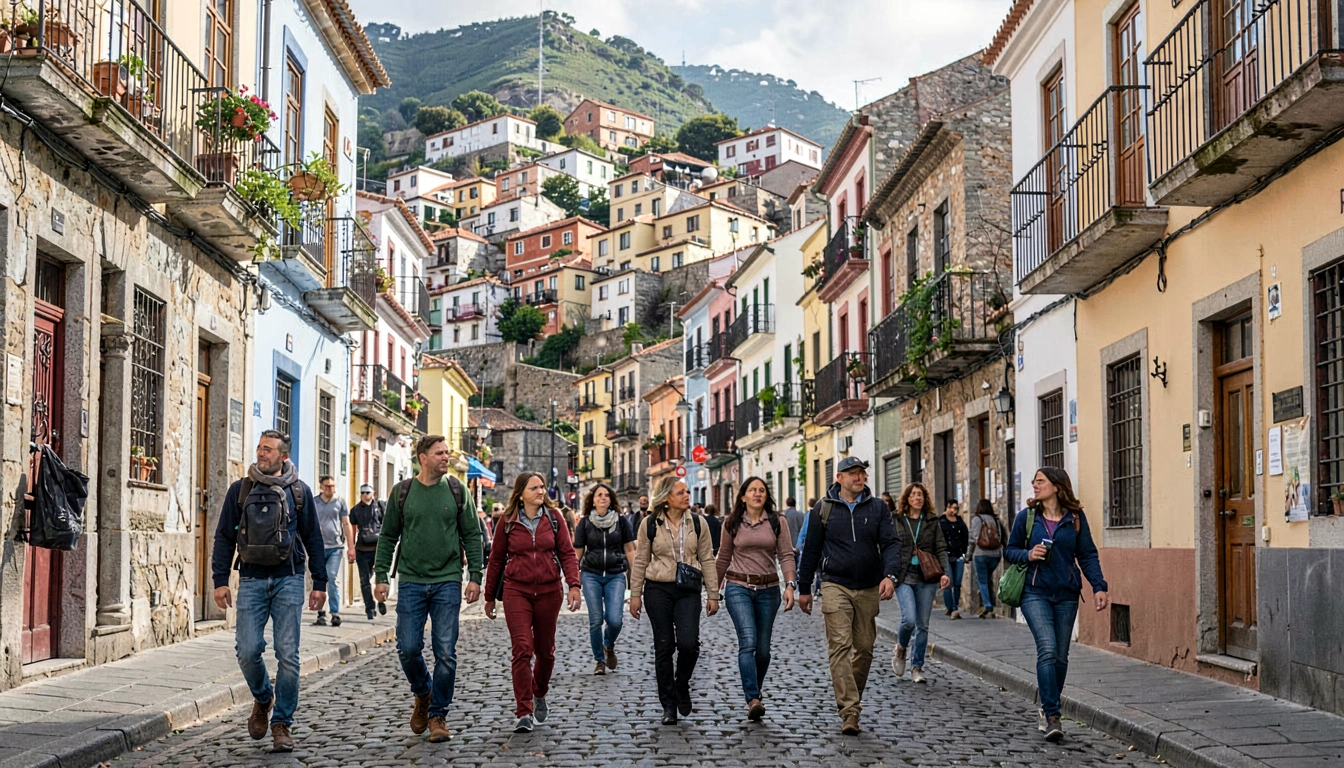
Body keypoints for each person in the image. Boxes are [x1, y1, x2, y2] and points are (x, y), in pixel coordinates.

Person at [211, 430, 327, 753]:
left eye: (268, 449)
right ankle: (264, 698)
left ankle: (282, 724)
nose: (261, 453)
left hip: (289, 579)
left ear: (283, 456)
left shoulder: (298, 492)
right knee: (247, 650)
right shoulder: (241, 489)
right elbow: (224, 536)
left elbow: (314, 539)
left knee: (288, 655)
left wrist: (320, 583)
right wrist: (220, 579)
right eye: (260, 448)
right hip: (250, 579)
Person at [374, 435, 484, 744]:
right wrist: (381, 574)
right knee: (408, 648)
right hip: (410, 580)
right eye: (439, 453)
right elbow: (388, 535)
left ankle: (438, 714)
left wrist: (475, 575)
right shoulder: (403, 492)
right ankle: (423, 692)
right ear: (423, 457)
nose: (445, 457)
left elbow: (472, 535)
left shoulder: (457, 490)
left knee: (445, 652)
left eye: (447, 452)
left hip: (448, 580)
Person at [796, 457, 902, 736]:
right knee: (840, 646)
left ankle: (849, 696)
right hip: (835, 585)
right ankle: (850, 710)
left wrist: (890, 576)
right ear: (839, 478)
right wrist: (804, 588)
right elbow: (811, 550)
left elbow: (891, 543)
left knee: (865, 648)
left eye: (862, 473)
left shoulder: (878, 508)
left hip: (868, 587)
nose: (860, 477)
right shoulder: (824, 509)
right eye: (854, 473)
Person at [1005, 467, 1109, 743]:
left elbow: (1087, 554)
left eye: (1040, 481)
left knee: (1061, 657)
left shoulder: (1075, 518)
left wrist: (1099, 586)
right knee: (1048, 649)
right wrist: (1028, 554)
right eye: (1035, 481)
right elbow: (1010, 550)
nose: (1034, 485)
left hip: (1066, 593)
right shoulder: (1026, 518)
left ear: (1056, 486)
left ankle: (1047, 706)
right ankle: (1053, 715)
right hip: (1034, 592)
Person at [484, 472, 582, 733]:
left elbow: (567, 553)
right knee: (522, 649)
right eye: (535, 487)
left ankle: (539, 692)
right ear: (520, 493)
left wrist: (573, 584)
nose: (541, 491)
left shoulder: (555, 518)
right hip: (517, 591)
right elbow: (495, 560)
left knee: (546, 652)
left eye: (542, 487)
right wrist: (489, 596)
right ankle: (523, 711)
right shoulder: (507, 522)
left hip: (550, 592)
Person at [629, 476, 719, 725]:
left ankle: (682, 683)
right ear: (667, 497)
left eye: (687, 491)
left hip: (688, 589)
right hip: (658, 589)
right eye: (681, 492)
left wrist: (713, 593)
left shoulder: (698, 523)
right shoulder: (649, 524)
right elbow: (640, 560)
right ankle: (668, 705)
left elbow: (708, 559)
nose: (687, 496)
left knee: (689, 644)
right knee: (664, 646)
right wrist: (635, 594)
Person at [715, 477, 795, 722]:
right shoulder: (731, 523)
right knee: (748, 642)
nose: (757, 494)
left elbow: (786, 555)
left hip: (769, 589)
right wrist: (712, 591)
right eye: (752, 490)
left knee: (763, 650)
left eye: (762, 490)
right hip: (738, 587)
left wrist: (790, 585)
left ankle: (755, 693)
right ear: (743, 496)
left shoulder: (776, 521)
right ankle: (753, 698)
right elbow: (723, 557)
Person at [890, 483, 952, 685]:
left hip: (926, 577)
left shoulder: (932, 521)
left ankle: (917, 667)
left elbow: (941, 547)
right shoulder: (896, 519)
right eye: (914, 495)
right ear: (906, 499)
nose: (918, 498)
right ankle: (900, 648)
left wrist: (944, 573)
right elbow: (888, 546)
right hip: (903, 576)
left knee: (922, 625)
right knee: (909, 619)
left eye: (921, 495)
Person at [572, 483, 636, 675]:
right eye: (599, 495)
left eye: (607, 495)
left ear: (611, 499)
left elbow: (630, 549)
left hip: (616, 574)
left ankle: (608, 643)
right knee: (596, 620)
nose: (603, 498)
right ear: (593, 499)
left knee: (615, 620)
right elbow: (577, 553)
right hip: (591, 574)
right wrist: (573, 579)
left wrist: (637, 577)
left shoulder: (622, 522)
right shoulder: (584, 523)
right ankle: (599, 660)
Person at [312, 475, 352, 627]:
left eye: (333, 486)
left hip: (335, 547)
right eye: (328, 486)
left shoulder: (340, 502)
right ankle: (320, 612)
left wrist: (351, 546)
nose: (331, 489)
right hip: (318, 548)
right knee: (319, 579)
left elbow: (346, 523)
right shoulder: (315, 502)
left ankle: (335, 612)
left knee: (332, 577)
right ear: (321, 487)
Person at [348, 484, 385, 620]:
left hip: (377, 549)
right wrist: (351, 547)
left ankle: (381, 600)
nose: (365, 495)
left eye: (368, 492)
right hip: (362, 549)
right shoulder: (355, 510)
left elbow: (386, 527)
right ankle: (369, 608)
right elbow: (352, 529)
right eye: (363, 492)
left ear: (373, 493)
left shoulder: (380, 507)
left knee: (381, 577)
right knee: (365, 581)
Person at [968, 499, 1004, 618]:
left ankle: (987, 604)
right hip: (995, 555)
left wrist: (968, 555)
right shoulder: (996, 520)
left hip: (981, 554)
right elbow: (1002, 536)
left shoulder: (977, 519)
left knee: (982, 580)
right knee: (988, 579)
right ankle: (991, 603)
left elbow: (973, 539)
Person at [938, 499, 969, 620]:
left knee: (957, 582)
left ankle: (953, 606)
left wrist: (964, 550)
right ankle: (952, 607)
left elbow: (965, 535)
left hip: (958, 554)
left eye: (956, 509)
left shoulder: (960, 521)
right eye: (952, 508)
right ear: (947, 507)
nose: (954, 511)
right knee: (947, 582)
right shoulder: (941, 521)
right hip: (946, 553)